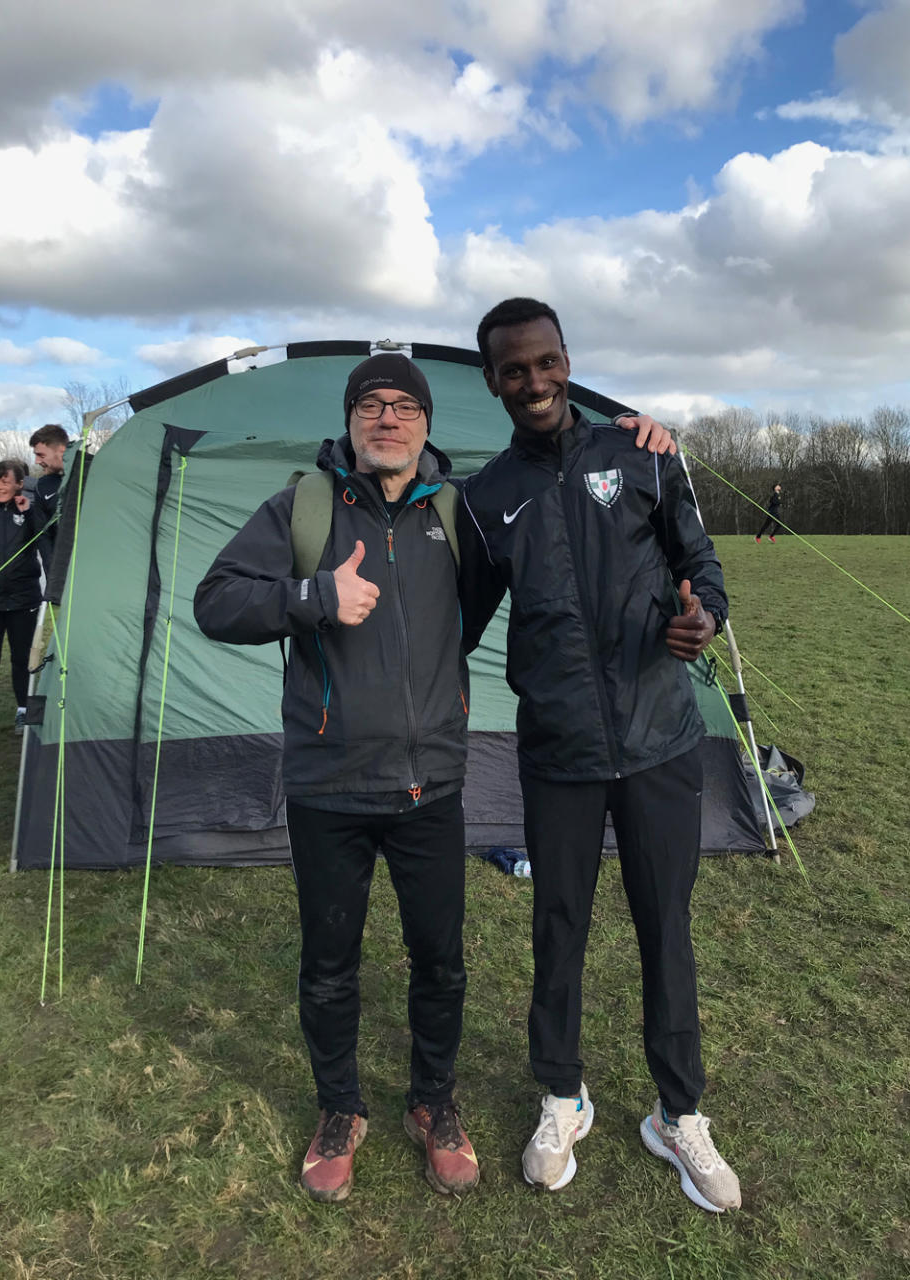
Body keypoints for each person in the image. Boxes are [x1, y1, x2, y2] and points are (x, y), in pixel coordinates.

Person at [193, 352, 674, 1203]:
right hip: (328, 785)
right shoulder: (300, 508)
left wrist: (637, 442)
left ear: (425, 424)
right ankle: (340, 1108)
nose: (387, 419)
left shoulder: (460, 513)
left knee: (441, 963)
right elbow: (216, 600)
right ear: (349, 421)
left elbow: (559, 560)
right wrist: (310, 598)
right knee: (330, 964)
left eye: (403, 407)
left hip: (431, 786)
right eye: (371, 405)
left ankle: (432, 1103)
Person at [457, 297, 741, 1213]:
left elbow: (703, 569)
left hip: (662, 741)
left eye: (547, 364)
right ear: (492, 379)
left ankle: (679, 1114)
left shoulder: (645, 457)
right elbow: (454, 625)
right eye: (514, 369)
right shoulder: (487, 495)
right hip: (561, 752)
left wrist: (704, 613)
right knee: (559, 929)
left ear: (567, 362)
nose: (535, 383)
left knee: (666, 926)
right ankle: (562, 1095)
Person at [0, 459, 42, 734]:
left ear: (19, 483)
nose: (0, 486)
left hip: (23, 599)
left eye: (5, 481)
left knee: (20, 658)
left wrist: (29, 513)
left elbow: (45, 538)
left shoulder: (28, 511)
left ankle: (24, 711)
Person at [29, 423, 69, 566]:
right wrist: (53, 570)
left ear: (61, 450)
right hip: (60, 574)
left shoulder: (89, 472)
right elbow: (42, 534)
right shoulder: (42, 485)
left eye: (41, 455)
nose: (37, 461)